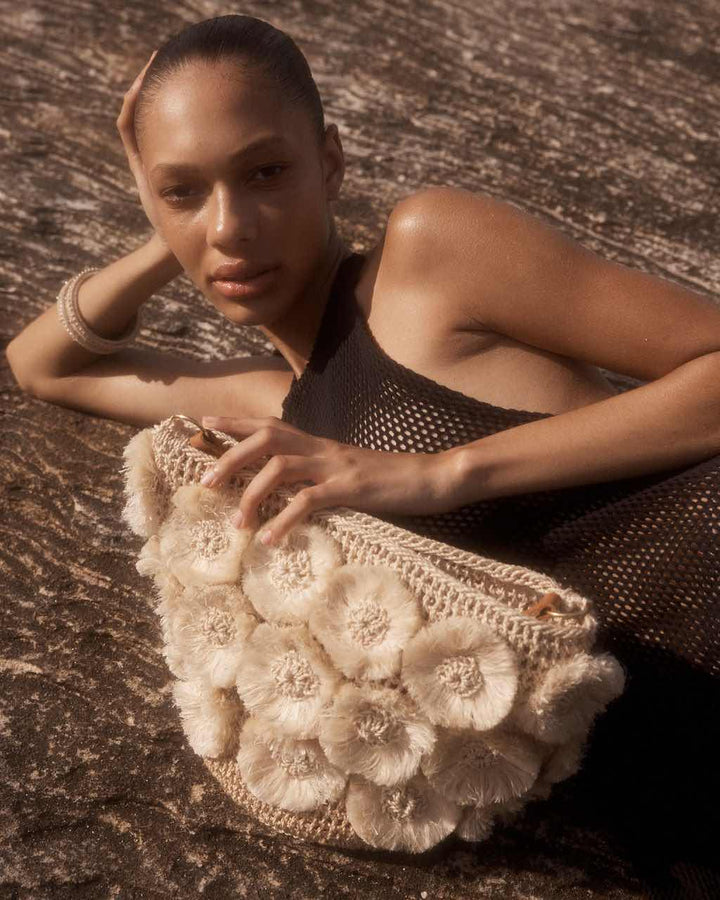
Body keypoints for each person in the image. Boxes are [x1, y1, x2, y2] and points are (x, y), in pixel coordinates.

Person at [6, 13, 719, 898]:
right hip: (669, 790)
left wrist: (438, 474)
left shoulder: (430, 257)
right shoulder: (273, 405)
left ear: (332, 163)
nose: (231, 227)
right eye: (186, 191)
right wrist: (172, 225)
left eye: (266, 173)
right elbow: (43, 366)